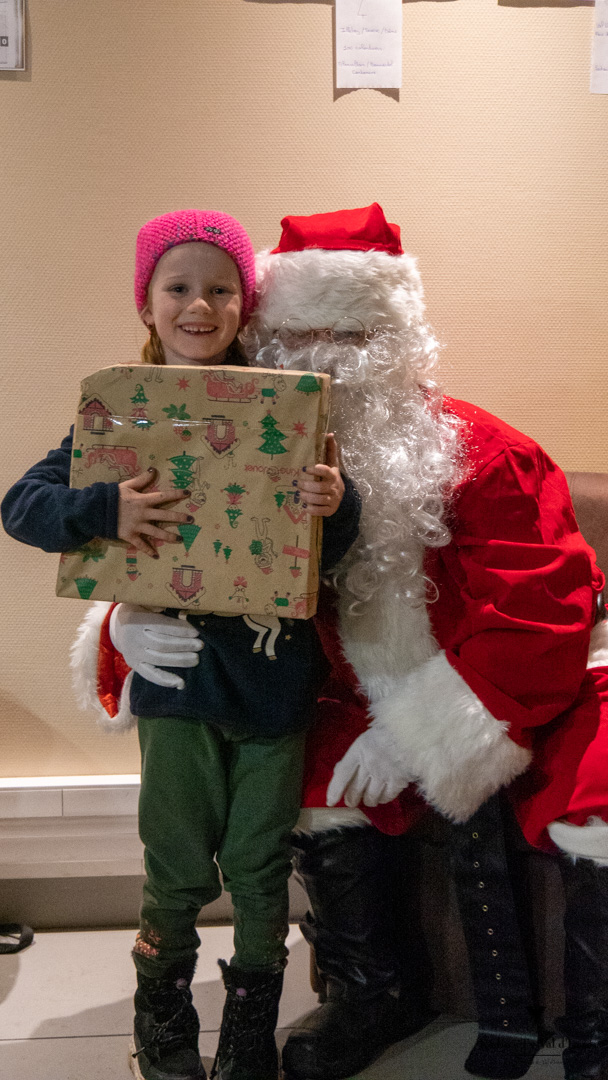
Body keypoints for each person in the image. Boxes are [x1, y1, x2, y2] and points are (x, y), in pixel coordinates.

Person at [71, 204, 608, 1080]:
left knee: (596, 796)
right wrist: (124, 621)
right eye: (300, 334)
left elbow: (540, 609)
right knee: (311, 779)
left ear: (399, 338)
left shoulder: (489, 455)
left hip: (511, 685)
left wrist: (419, 734)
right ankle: (373, 992)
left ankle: (596, 1028)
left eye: (353, 334)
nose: (326, 357)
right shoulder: (239, 444)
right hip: (339, 688)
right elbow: (168, 547)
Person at [1, 208, 361, 1080]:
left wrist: (335, 502)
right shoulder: (122, 414)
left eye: (221, 288)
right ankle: (161, 1020)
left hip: (274, 684)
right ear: (147, 302)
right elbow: (23, 506)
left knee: (260, 865)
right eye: (179, 287)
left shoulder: (286, 406)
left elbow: (332, 547)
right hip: (178, 686)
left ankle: (248, 1032)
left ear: (244, 302)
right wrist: (106, 507)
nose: (200, 306)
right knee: (175, 865)